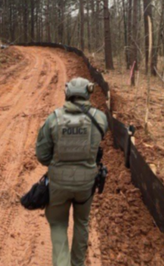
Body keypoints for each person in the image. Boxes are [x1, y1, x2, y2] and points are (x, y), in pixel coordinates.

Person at [35, 77, 108, 266]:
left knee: (58, 224)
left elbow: (42, 156)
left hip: (58, 184)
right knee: (82, 222)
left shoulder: (53, 119)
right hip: (86, 184)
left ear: (67, 93)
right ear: (88, 93)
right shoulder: (99, 118)